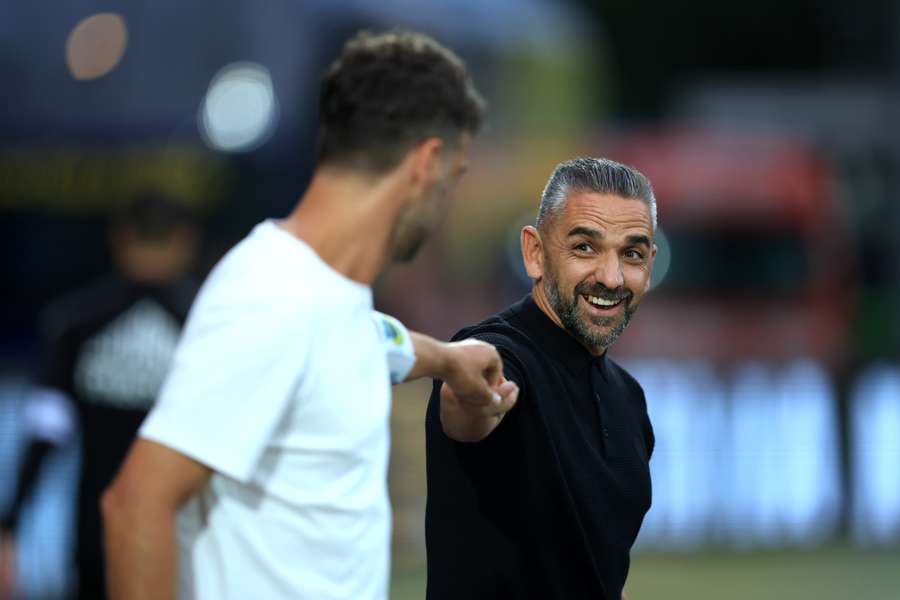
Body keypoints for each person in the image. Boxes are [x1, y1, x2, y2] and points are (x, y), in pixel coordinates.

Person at [101, 30, 519, 600]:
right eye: (456, 177)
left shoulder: (324, 297)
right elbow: (135, 506)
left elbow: (364, 343)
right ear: (427, 163)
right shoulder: (273, 296)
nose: (449, 202)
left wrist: (447, 359)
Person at [425, 157, 658, 600]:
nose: (611, 277)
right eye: (585, 248)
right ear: (534, 253)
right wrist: (464, 378)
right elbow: (470, 392)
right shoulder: (503, 356)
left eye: (631, 253)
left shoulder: (629, 400)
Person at [0, 192, 200, 600]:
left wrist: (10, 525)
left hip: (97, 533)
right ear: (184, 241)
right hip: (186, 537)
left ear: (121, 238)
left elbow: (46, 429)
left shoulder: (78, 319)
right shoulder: (207, 324)